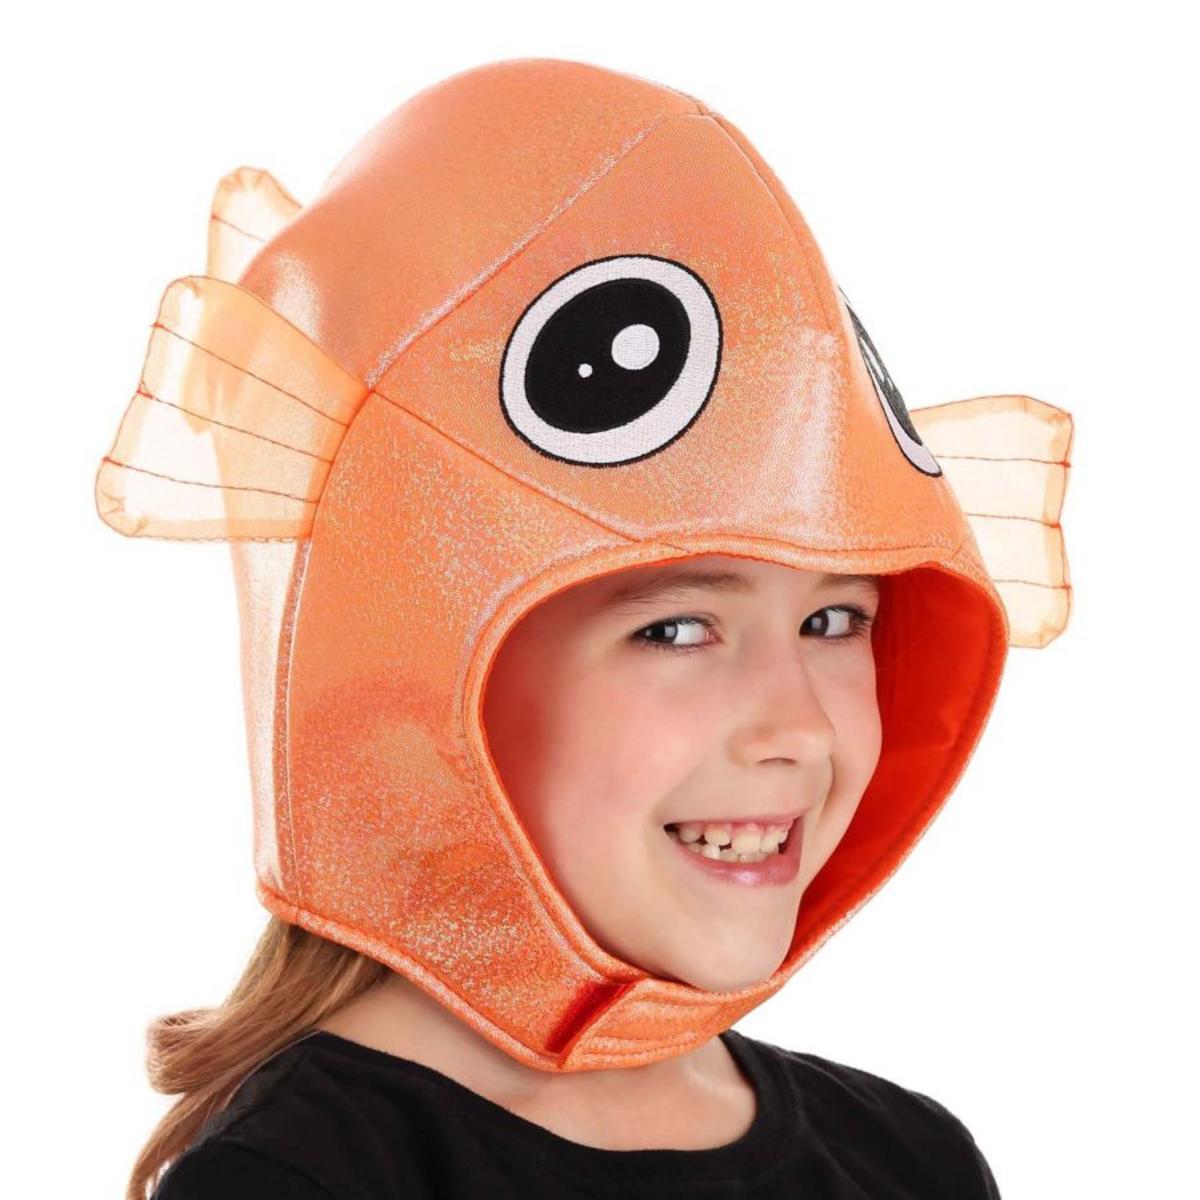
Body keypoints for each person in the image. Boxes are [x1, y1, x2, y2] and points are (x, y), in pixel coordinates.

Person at [94, 57, 1073, 1199]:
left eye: (833, 616)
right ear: (427, 665)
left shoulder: (910, 1161)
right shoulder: (306, 1181)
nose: (801, 729)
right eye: (678, 630)